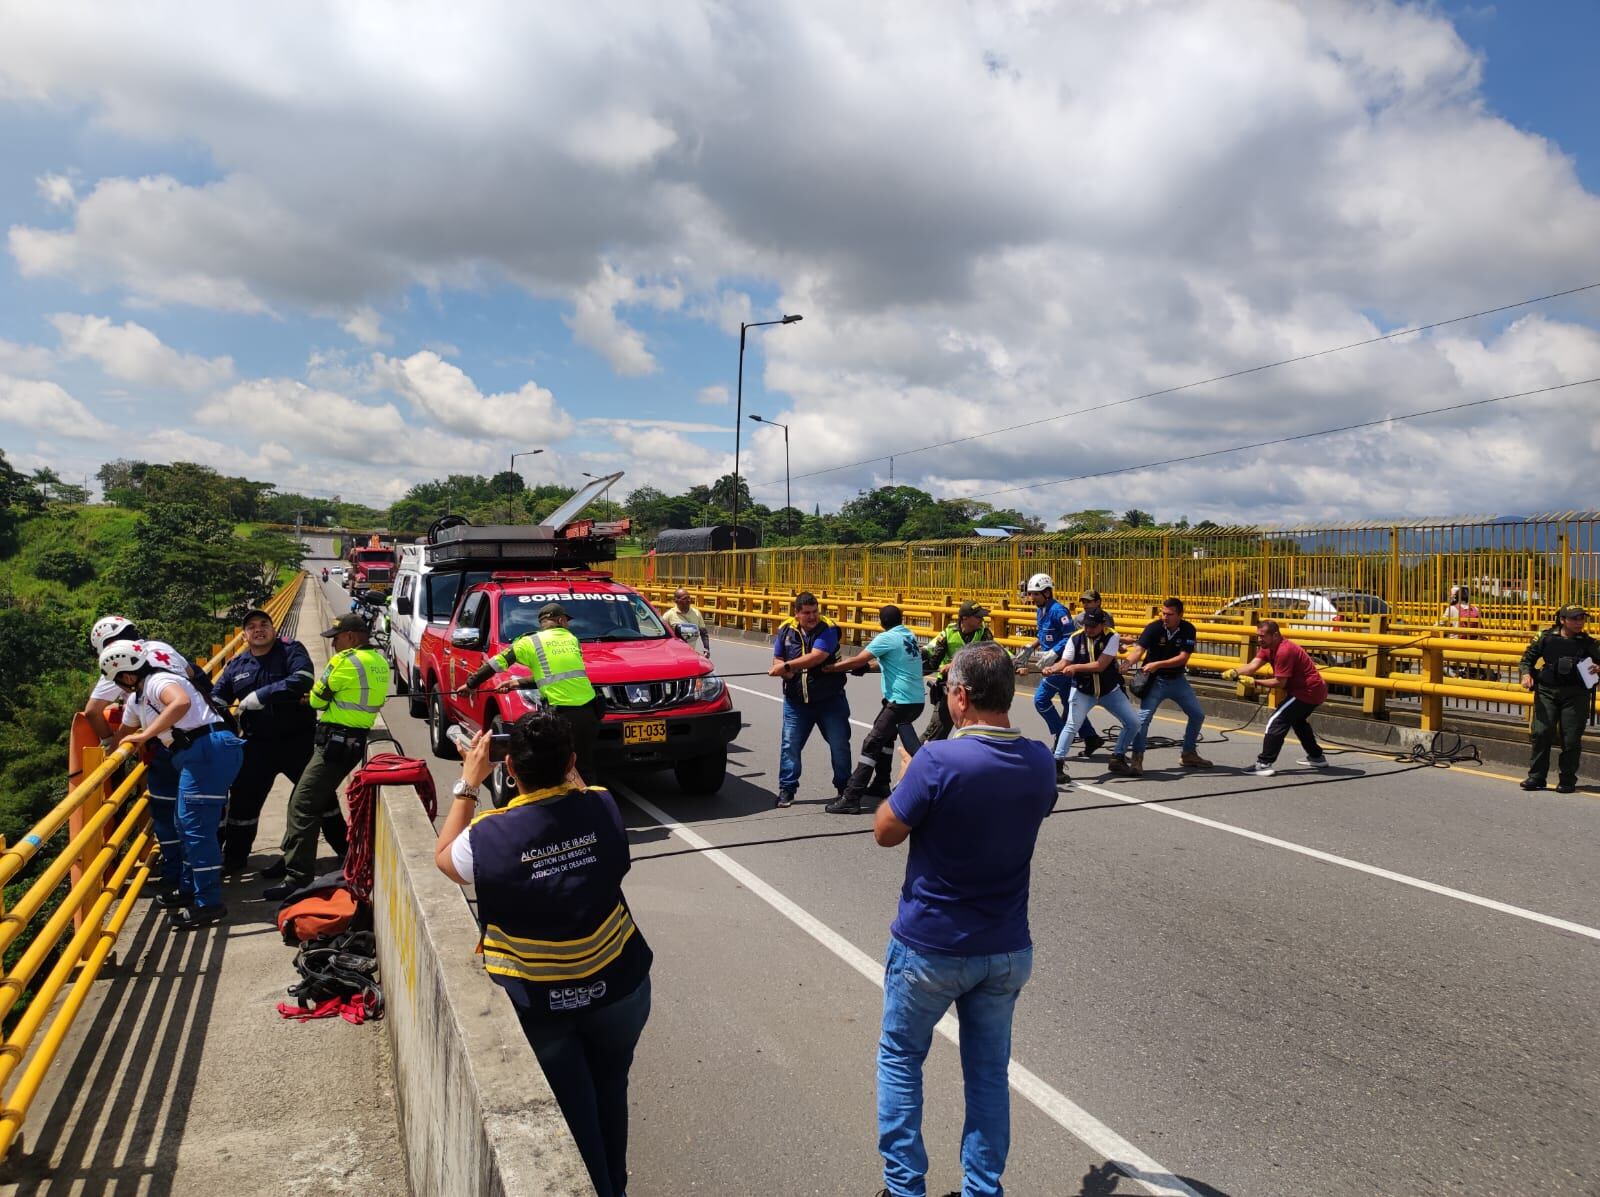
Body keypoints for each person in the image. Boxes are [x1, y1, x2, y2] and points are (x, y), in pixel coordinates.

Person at [435, 714, 651, 1197]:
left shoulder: (487, 837)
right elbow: (577, 788)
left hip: (542, 999)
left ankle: (603, 1188)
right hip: (618, 984)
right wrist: (562, 763)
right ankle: (613, 1183)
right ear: (572, 762)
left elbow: (444, 856)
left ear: (508, 770)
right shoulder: (602, 805)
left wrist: (469, 783)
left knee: (575, 1108)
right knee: (610, 1090)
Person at [871, 642, 1055, 1197]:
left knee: (901, 1060)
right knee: (988, 1076)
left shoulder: (937, 760)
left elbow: (885, 831)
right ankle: (982, 1189)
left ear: (960, 696)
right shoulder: (1040, 759)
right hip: (1004, 947)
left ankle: (906, 1189)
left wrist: (907, 780)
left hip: (931, 944)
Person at [103, 641, 245, 929]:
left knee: (196, 830)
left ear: (127, 675)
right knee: (184, 825)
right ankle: (191, 889)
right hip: (198, 753)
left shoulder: (159, 680)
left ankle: (209, 903)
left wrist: (146, 735)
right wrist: (108, 756)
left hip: (207, 749)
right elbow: (122, 735)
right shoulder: (138, 700)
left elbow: (180, 702)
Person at [263, 613, 390, 900]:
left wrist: (313, 697)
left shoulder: (345, 661)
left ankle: (297, 877)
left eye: (336, 638)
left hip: (334, 744)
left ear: (352, 637)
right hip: (353, 741)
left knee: (302, 804)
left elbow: (318, 699)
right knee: (305, 797)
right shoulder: (380, 662)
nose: (333, 645)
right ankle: (290, 857)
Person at [213, 607, 347, 874]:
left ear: (274, 629)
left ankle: (347, 851)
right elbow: (217, 699)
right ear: (245, 636)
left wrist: (262, 695)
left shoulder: (290, 650)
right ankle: (235, 859)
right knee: (242, 805)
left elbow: (303, 678)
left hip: (297, 741)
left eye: (264, 624)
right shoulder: (236, 666)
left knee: (320, 799)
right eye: (251, 627)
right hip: (256, 745)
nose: (258, 629)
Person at [468, 602, 606, 786]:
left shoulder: (530, 642)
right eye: (567, 621)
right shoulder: (572, 640)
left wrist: (471, 684)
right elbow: (555, 676)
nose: (568, 625)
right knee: (585, 766)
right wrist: (517, 682)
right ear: (560, 620)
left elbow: (495, 664)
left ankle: (562, 810)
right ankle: (591, 806)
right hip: (589, 714)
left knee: (557, 771)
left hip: (561, 716)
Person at [825, 604, 925, 814]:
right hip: (915, 701)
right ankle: (881, 783)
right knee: (886, 740)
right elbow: (892, 664)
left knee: (871, 743)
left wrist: (830, 669)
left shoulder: (886, 638)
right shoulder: (908, 635)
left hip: (900, 701)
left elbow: (857, 660)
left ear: (881, 622)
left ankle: (851, 797)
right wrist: (867, 669)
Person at [766, 591, 852, 808]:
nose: (812, 616)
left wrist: (787, 667)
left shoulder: (829, 628)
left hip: (830, 700)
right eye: (807, 613)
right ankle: (787, 789)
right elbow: (778, 657)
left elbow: (817, 656)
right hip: (796, 702)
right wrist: (783, 670)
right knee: (790, 745)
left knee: (839, 745)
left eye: (815, 611)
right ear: (797, 614)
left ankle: (844, 789)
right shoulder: (785, 629)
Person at [1042, 609, 1141, 784]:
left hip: (1109, 690)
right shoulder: (1075, 638)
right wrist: (1053, 668)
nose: (1089, 629)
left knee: (1133, 722)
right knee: (1072, 725)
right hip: (1082, 690)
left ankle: (1118, 757)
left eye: (1093, 627)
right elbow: (1065, 662)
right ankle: (1056, 764)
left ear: (1103, 625)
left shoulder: (1112, 636)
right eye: (1087, 625)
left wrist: (1075, 668)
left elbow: (1101, 665)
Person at [1225, 619, 1329, 777]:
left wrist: (1255, 682)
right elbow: (1253, 666)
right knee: (1297, 721)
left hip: (1308, 692)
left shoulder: (1284, 651)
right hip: (1307, 691)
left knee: (1277, 720)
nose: (1259, 639)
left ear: (1275, 635)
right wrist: (1235, 672)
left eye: (1263, 636)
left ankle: (1264, 763)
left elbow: (1280, 683)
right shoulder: (1267, 647)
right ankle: (1316, 757)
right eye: (1258, 636)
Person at [1517, 605, 1600, 794]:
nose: (1579, 622)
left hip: (1576, 694)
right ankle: (1537, 777)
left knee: (1570, 738)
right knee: (1541, 732)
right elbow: (1527, 659)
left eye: (1582, 618)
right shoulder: (1545, 638)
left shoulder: (1589, 643)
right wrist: (1526, 674)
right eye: (1575, 618)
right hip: (1547, 691)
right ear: (1562, 620)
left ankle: (1568, 780)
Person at [1125, 597, 1213, 772]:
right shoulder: (1154, 628)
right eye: (1163, 613)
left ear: (1180, 614)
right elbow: (1138, 650)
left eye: (1169, 614)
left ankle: (1188, 753)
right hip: (1155, 681)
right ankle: (1137, 758)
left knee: (1197, 715)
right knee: (1143, 720)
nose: (1165, 617)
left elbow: (1183, 658)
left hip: (1177, 680)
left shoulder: (1188, 629)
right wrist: (1127, 663)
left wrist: (1157, 664)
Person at [84, 615, 199, 746]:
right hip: (201, 715)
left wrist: (108, 742)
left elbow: (92, 712)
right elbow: (190, 673)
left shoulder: (120, 662)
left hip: (173, 735)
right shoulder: (160, 646)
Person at [919, 600, 997, 744]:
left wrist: (954, 664)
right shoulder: (949, 633)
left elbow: (989, 656)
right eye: (978, 616)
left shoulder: (984, 634)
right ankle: (914, 759)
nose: (982, 619)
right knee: (935, 734)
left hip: (975, 692)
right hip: (950, 691)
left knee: (978, 736)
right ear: (965, 618)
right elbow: (930, 654)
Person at [1017, 573, 1079, 749]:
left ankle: (1062, 734)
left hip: (1061, 663)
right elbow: (1043, 634)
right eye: (1031, 594)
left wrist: (1054, 651)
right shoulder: (1040, 610)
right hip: (1050, 660)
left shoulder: (1058, 611)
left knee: (1041, 700)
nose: (1032, 598)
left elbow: (1070, 636)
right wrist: (1031, 647)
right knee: (1069, 702)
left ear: (1047, 592)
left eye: (1036, 594)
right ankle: (1090, 736)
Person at [661, 588, 712, 659]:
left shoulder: (696, 613)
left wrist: (706, 649)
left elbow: (703, 632)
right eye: (685, 598)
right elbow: (661, 635)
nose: (689, 600)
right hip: (674, 655)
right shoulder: (669, 615)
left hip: (690, 654)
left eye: (689, 598)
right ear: (676, 600)